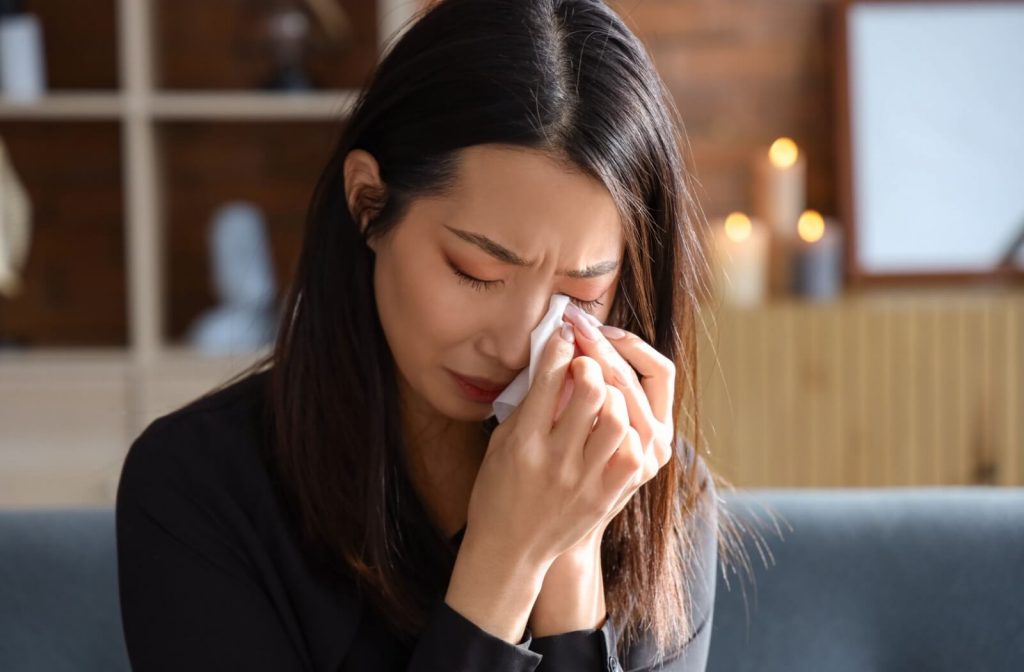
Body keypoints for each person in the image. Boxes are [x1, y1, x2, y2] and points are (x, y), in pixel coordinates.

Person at [116, 0, 723, 669]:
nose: (518, 344)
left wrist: (571, 558)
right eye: (476, 271)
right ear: (368, 204)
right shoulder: (200, 487)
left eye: (580, 294)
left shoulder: (655, 485)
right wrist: (507, 559)